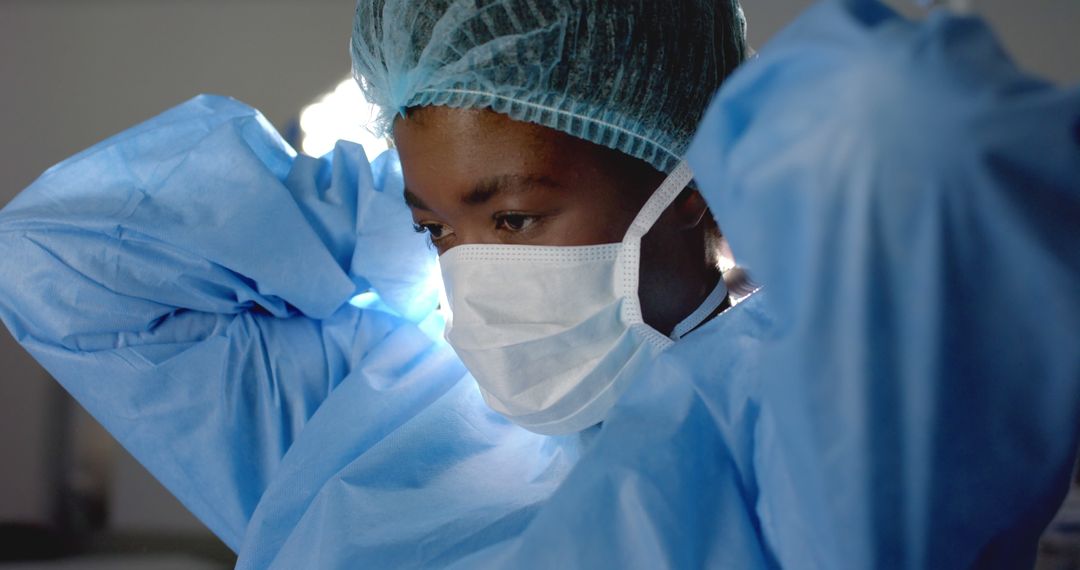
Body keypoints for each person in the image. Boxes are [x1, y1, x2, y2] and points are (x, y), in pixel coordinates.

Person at [1, 0, 1078, 567]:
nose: (476, 272)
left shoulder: (805, 423)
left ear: (693, 183)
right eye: (438, 229)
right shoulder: (367, 409)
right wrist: (369, 214)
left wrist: (753, 153)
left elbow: (932, 129)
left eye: (513, 216)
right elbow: (54, 259)